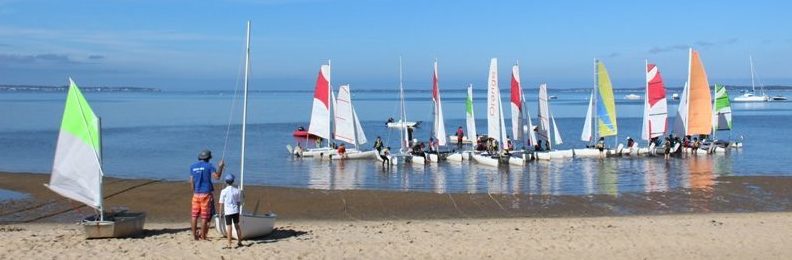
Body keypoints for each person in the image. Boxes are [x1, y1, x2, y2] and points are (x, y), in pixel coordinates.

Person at [190, 149, 224, 240]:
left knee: (194, 216)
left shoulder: (192, 166)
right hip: (206, 194)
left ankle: (194, 236)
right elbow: (217, 177)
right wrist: (220, 167)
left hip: (196, 194)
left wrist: (194, 191)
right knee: (204, 217)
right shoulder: (209, 166)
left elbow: (191, 180)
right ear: (209, 158)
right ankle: (203, 237)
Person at [219, 174, 242, 249]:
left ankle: (229, 244)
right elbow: (238, 202)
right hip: (235, 210)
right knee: (237, 226)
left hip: (228, 212)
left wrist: (220, 213)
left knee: (229, 227)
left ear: (226, 182)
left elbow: (221, 203)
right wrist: (238, 211)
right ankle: (239, 241)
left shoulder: (223, 191)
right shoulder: (237, 190)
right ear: (233, 181)